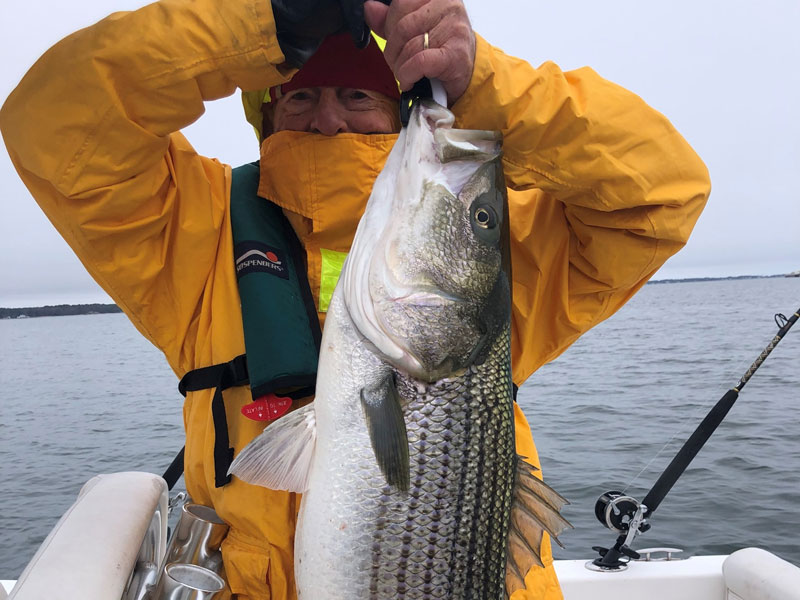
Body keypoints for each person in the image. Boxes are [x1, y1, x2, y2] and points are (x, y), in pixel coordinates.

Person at [0, 0, 710, 598]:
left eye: (358, 96)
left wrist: (484, 85)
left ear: (399, 112)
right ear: (267, 111)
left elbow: (663, 191)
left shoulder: (502, 252)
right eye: (301, 95)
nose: (329, 120)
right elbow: (56, 121)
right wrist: (264, 21)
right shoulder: (196, 228)